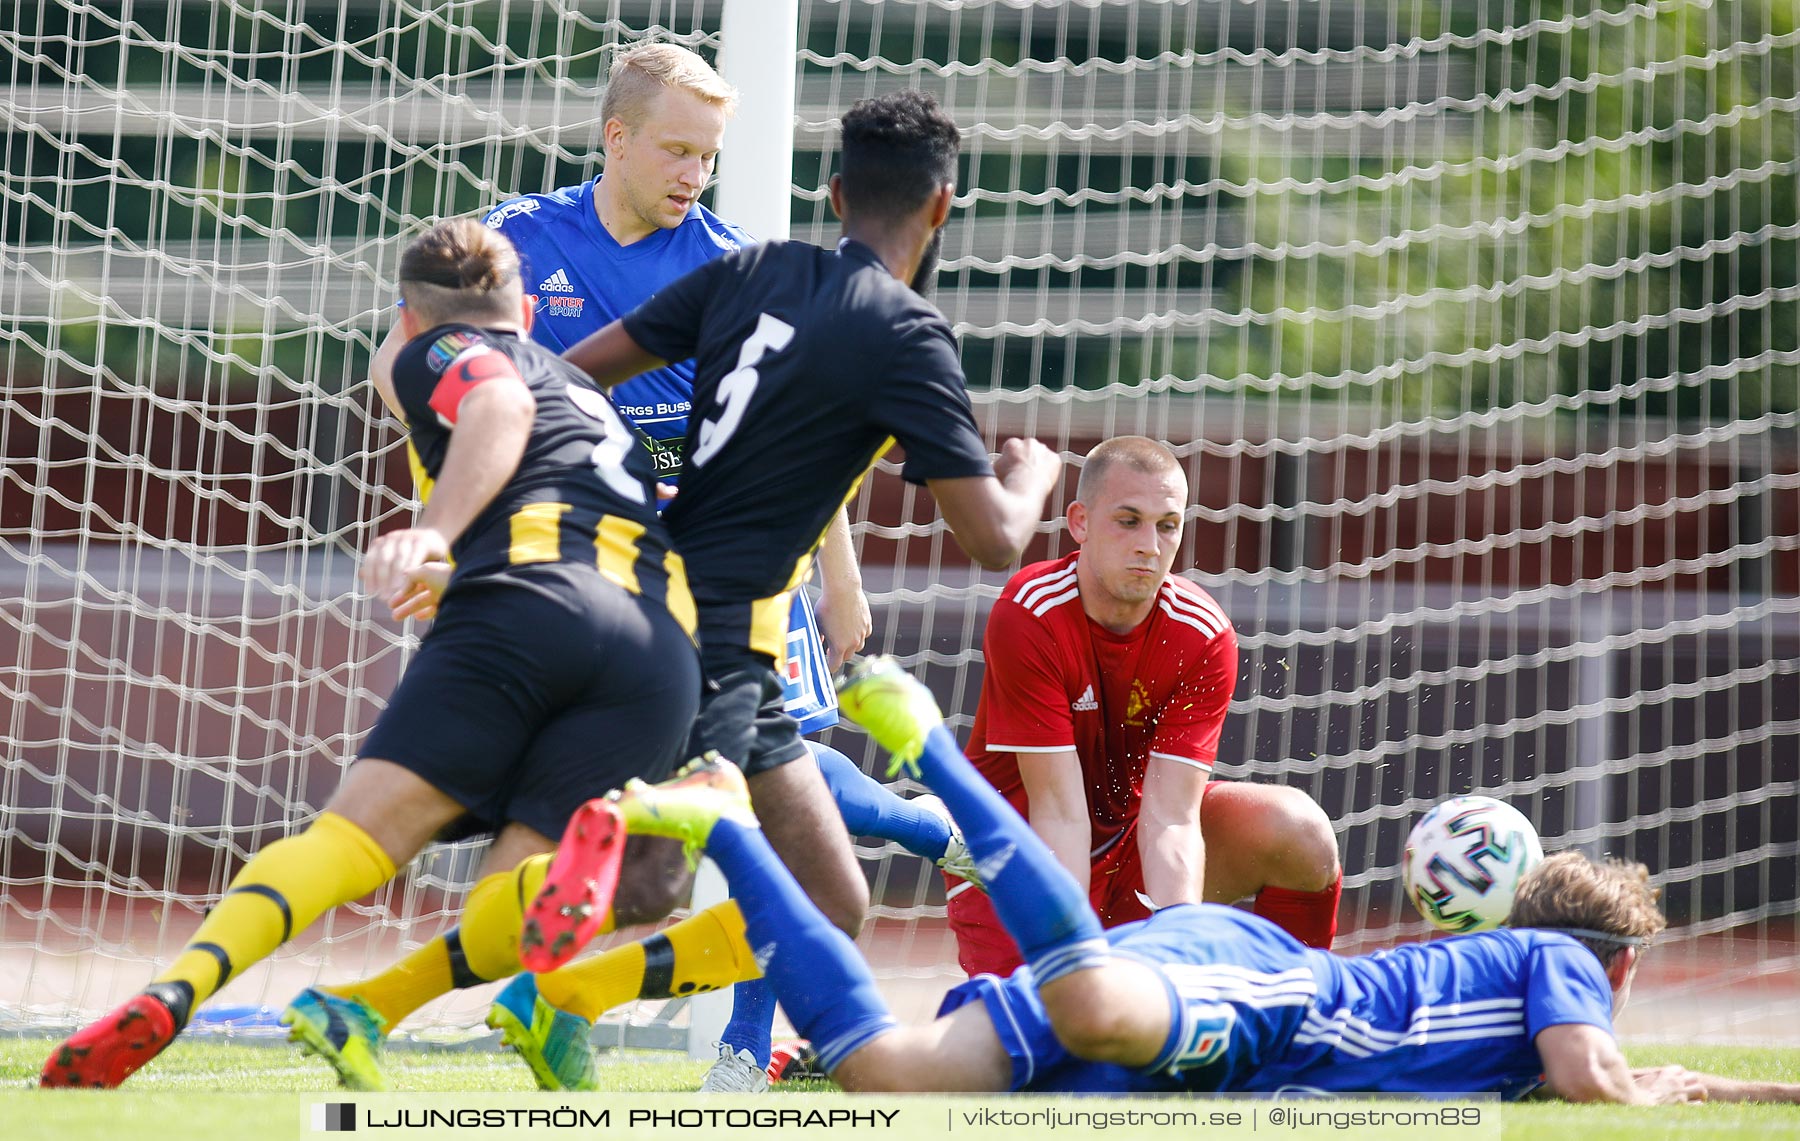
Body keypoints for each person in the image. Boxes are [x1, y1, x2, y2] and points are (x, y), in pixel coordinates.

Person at [310, 45, 959, 1094]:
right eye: (676, 149)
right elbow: (400, 365)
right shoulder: (518, 242)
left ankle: (727, 1048)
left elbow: (800, 436)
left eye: (707, 154)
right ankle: (923, 827)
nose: (694, 172)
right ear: (616, 139)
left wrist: (840, 578)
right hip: (575, 576)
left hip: (725, 570)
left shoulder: (731, 262)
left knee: (753, 797)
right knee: (697, 818)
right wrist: (465, 482)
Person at [39, 219, 701, 1090]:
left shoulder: (444, 352)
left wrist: (436, 534)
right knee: (503, 906)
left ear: (413, 318)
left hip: (530, 604)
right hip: (660, 643)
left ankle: (176, 990)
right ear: (533, 311)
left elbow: (495, 404)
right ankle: (589, 868)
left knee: (353, 841)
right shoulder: (584, 389)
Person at [542, 659, 1800, 1104]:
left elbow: (1621, 1076)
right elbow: (1596, 1079)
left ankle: (723, 824)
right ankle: (926, 743)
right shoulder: (1565, 961)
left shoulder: (1521, 1000)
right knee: (1091, 994)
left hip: (1228, 997)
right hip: (1269, 993)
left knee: (883, 1073)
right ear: (1617, 962)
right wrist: (1638, 1085)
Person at [511, 87, 1062, 1085]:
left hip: (682, 605)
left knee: (833, 903)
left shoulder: (749, 268)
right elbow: (993, 539)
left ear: (835, 188)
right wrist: (1036, 473)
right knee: (656, 882)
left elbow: (570, 377)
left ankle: (570, 992)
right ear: (943, 207)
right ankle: (535, 946)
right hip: (712, 626)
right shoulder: (906, 336)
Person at [951, 435, 1342, 975]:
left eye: (1167, 525)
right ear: (1080, 522)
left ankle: (1296, 1023)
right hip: (1025, 857)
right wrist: (1076, 962)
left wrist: (1176, 951)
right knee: (1061, 1050)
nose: (1150, 546)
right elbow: (1058, 814)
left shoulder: (1202, 635)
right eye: (1128, 520)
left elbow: (1171, 816)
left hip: (1133, 848)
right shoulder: (1031, 613)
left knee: (1299, 829)